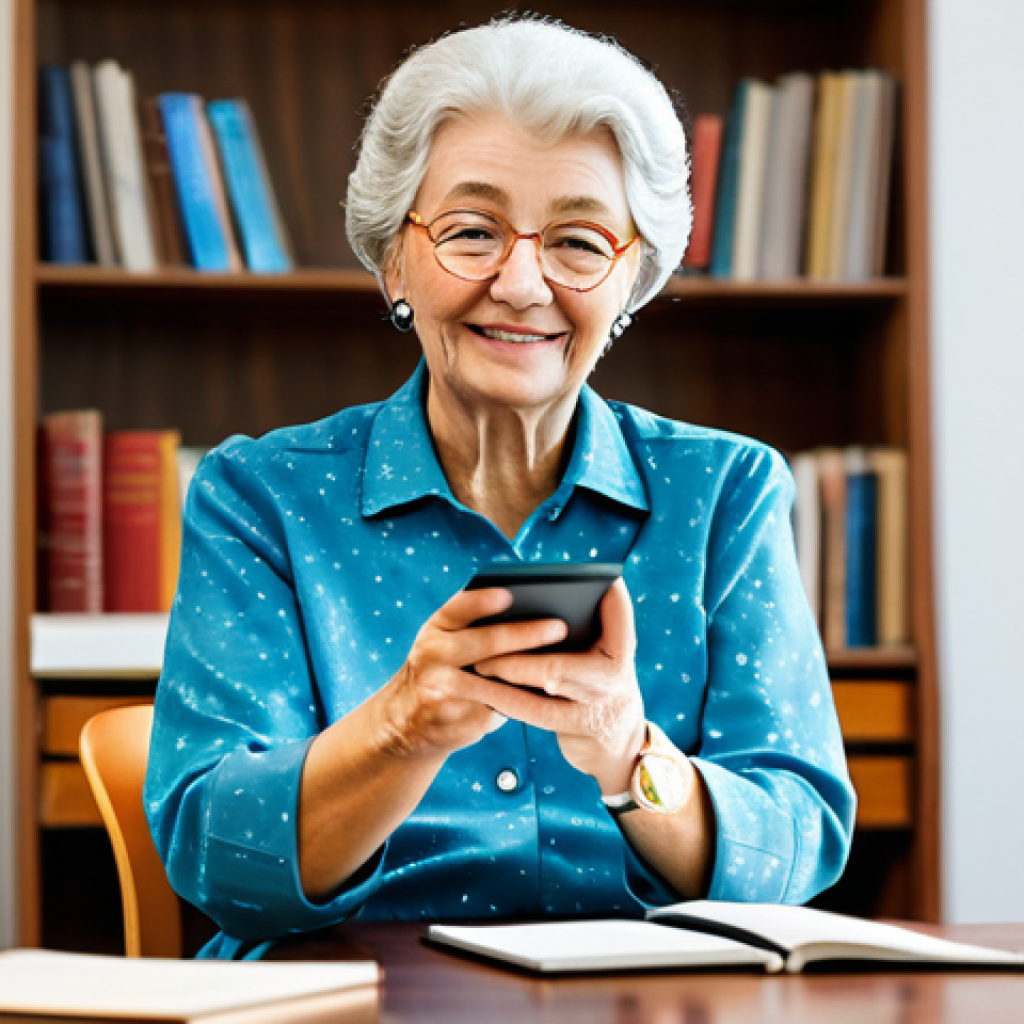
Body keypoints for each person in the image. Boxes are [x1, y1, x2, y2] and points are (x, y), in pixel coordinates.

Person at [145, 16, 855, 959]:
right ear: (393, 260)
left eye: (577, 242)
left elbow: (796, 844)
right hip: (348, 1004)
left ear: (632, 278)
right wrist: (402, 728)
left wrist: (628, 754)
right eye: (473, 232)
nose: (522, 284)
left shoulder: (727, 492)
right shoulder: (258, 497)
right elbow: (214, 859)